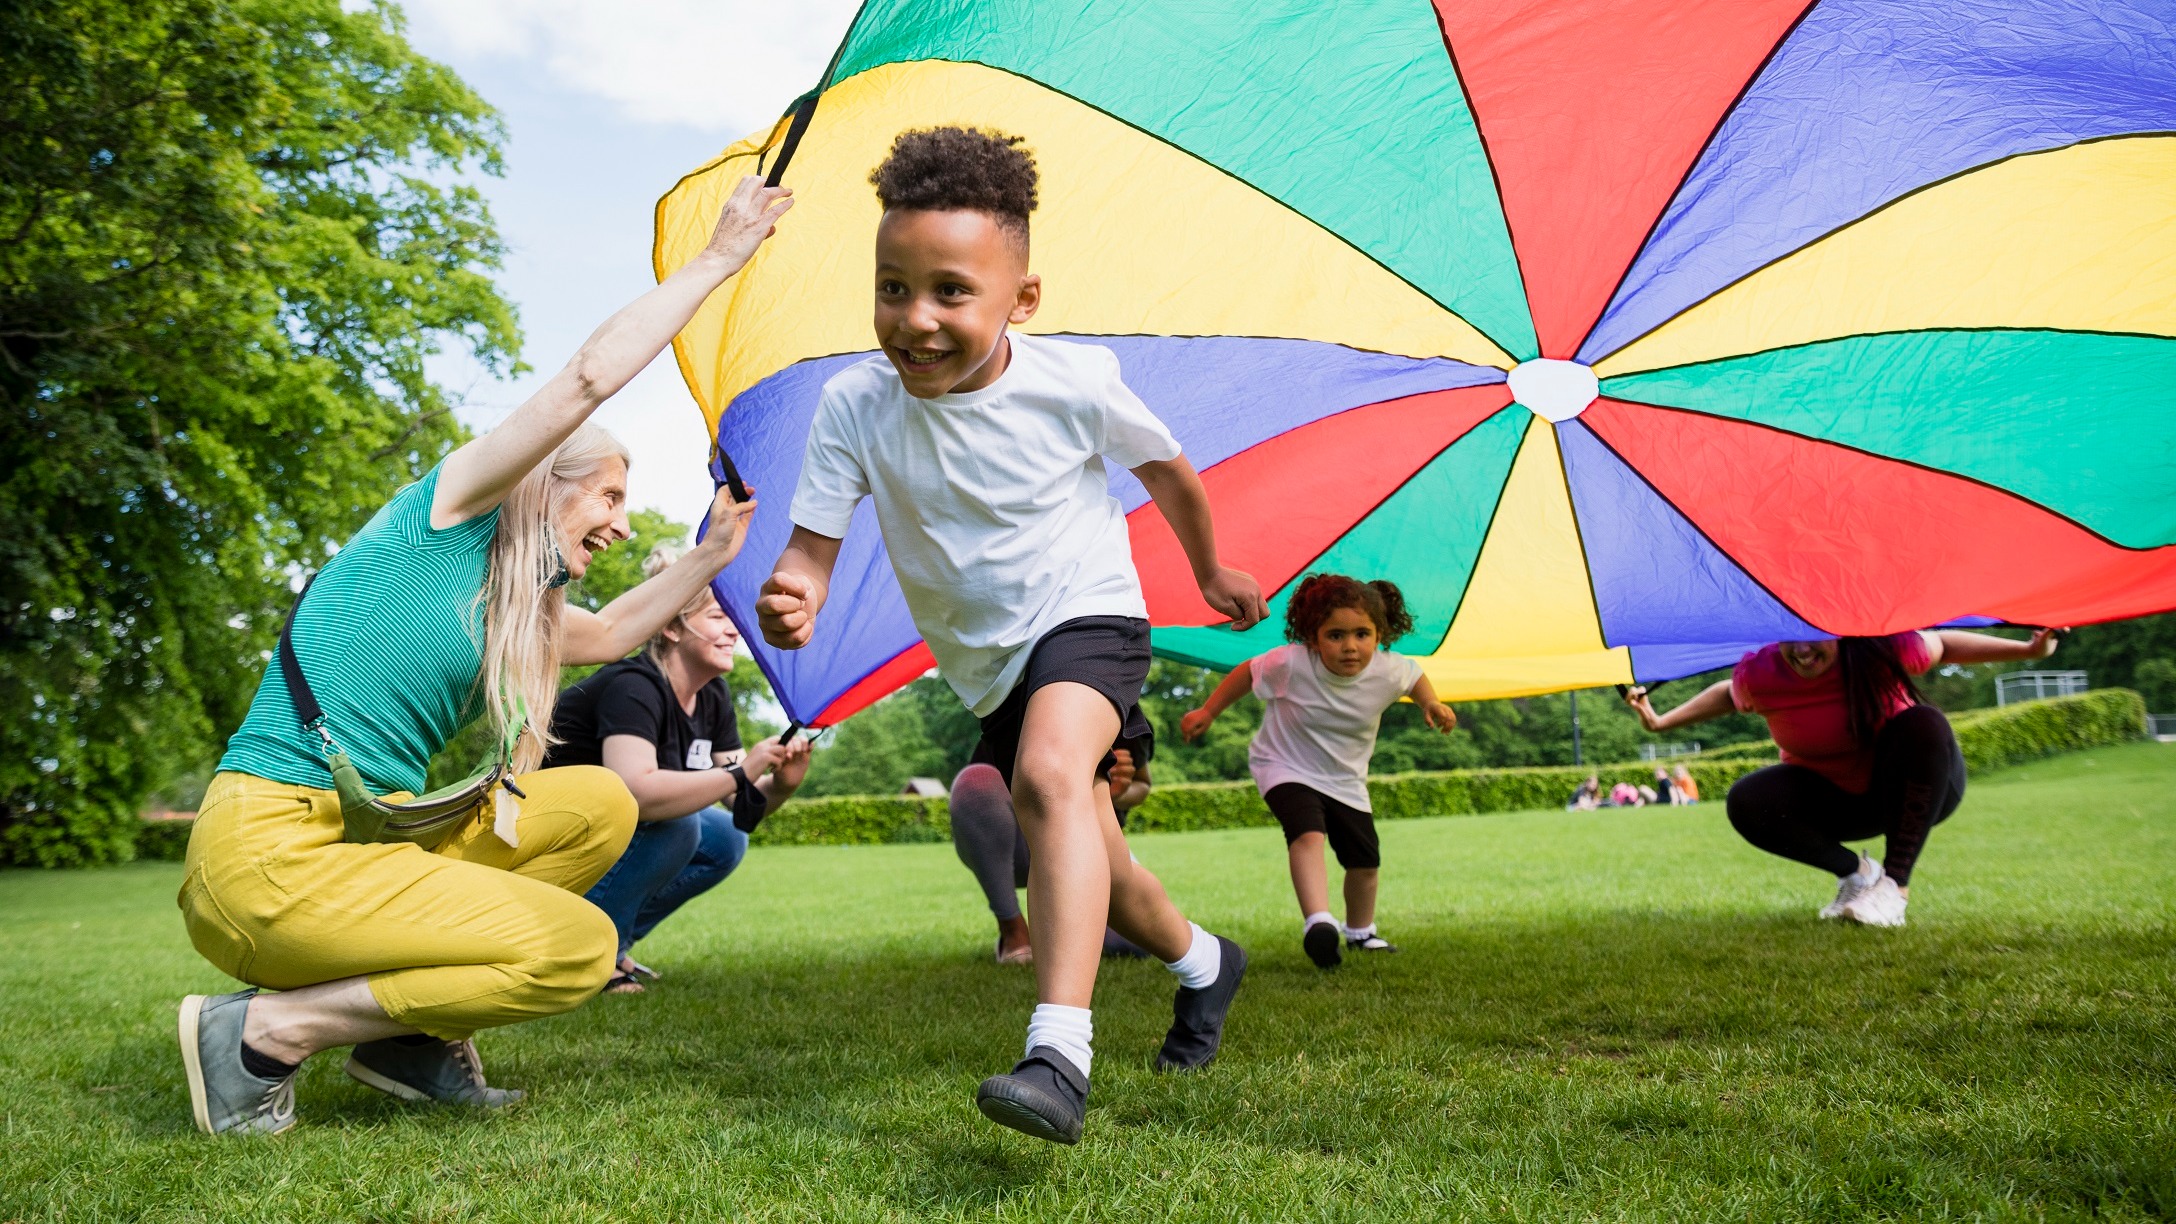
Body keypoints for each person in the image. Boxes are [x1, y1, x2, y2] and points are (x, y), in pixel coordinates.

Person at [174, 177, 794, 1136]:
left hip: (363, 845)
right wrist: (718, 261)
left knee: (596, 803)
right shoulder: (447, 517)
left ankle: (404, 1041)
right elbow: (588, 377)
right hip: (267, 859)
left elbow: (618, 632)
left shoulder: (511, 604)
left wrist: (713, 554)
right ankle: (267, 1031)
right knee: (577, 950)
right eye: (610, 499)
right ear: (547, 483)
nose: (624, 527)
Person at [755, 126, 1262, 1146]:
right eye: (892, 288)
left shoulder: (1071, 381)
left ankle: (1058, 1054)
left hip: (1088, 614)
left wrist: (1208, 569)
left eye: (951, 291)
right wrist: (792, 590)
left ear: (1019, 300)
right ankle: (1205, 965)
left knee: (1045, 780)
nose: (917, 319)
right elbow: (810, 548)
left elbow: (1168, 471)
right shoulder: (854, 405)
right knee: (1100, 865)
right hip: (986, 662)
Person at [1625, 628, 2062, 926]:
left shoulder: (1883, 647)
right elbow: (1728, 693)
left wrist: (2029, 650)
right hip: (1836, 802)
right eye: (1788, 638)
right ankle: (1857, 874)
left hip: (1915, 791)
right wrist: (1660, 723)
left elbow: (1943, 645)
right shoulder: (1762, 672)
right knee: (1746, 798)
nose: (1802, 650)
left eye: (1816, 636)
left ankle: (1894, 887)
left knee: (1924, 722)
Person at [545, 547, 812, 993]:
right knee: (678, 825)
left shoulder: (713, 697)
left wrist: (780, 785)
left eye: (733, 619)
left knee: (726, 838)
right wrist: (742, 773)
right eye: (717, 618)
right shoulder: (634, 687)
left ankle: (612, 942)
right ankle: (588, 955)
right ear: (670, 626)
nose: (734, 631)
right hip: (547, 820)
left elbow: (737, 805)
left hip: (610, 825)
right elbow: (637, 792)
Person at [1179, 575, 1456, 970]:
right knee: (1307, 834)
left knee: (1364, 861)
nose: (1350, 646)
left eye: (1363, 634)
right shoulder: (1291, 663)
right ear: (1312, 637)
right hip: (1282, 766)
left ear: (1380, 634)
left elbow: (1414, 677)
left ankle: (1361, 932)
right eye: (1336, 635)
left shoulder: (1388, 670)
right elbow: (1246, 672)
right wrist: (1208, 711)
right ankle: (1319, 923)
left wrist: (1431, 703)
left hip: (1345, 780)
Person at [951, 749, 1154, 965]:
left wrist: (1113, 791)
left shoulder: (1127, 719)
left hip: (1092, 838)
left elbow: (1142, 784)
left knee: (1135, 942)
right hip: (1025, 835)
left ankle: (1071, 922)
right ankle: (1012, 928)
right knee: (975, 782)